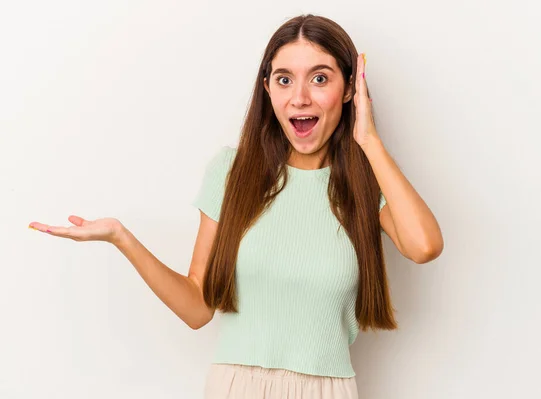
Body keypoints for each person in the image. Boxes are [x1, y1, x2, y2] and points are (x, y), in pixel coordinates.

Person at [29, 13, 443, 399]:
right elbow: (197, 308)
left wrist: (367, 139)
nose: (299, 97)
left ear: (351, 88)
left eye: (319, 78)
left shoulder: (365, 182)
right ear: (267, 89)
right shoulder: (232, 172)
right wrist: (121, 237)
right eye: (284, 80)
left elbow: (424, 246)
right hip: (235, 387)